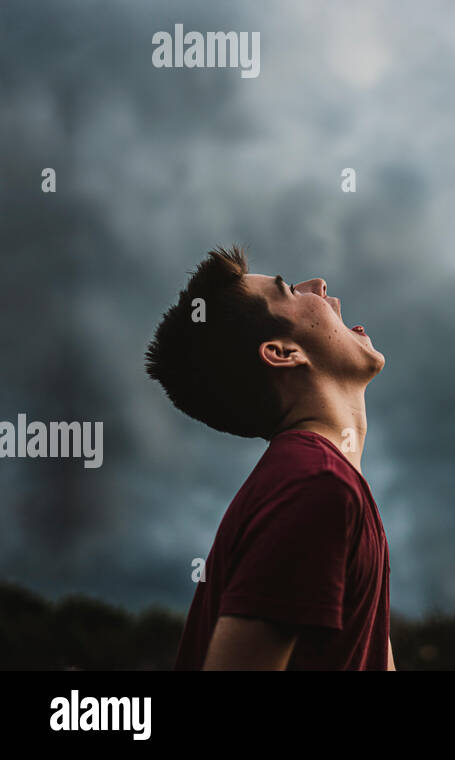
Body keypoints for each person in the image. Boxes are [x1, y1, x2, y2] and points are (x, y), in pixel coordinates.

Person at [145, 245, 394, 670]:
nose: (319, 285)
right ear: (282, 352)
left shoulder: (330, 487)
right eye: (292, 292)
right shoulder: (314, 487)